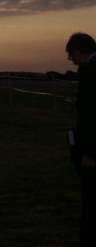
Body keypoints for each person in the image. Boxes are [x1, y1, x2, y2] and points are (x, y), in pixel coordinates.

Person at [66, 32, 96, 246]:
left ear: (77, 51)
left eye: (71, 57)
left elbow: (90, 117)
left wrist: (89, 154)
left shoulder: (88, 72)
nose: (73, 62)